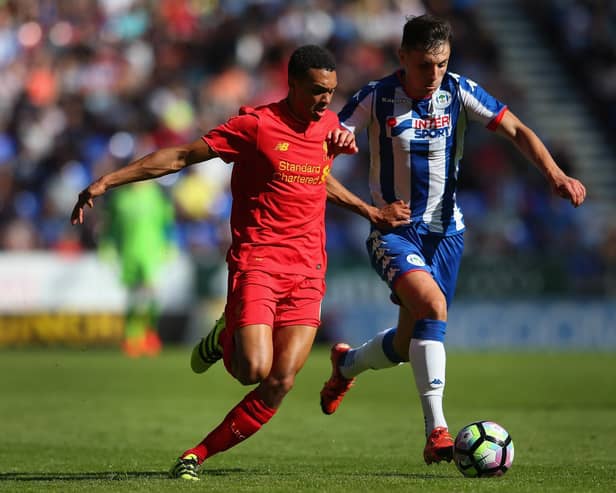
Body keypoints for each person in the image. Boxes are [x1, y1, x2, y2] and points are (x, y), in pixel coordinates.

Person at [71, 44, 406, 481]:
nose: (325, 100)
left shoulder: (327, 125)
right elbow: (180, 157)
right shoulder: (256, 126)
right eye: (316, 90)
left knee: (281, 381)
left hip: (308, 271)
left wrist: (371, 212)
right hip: (260, 262)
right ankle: (225, 333)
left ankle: (196, 454)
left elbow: (317, 180)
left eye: (331, 91)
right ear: (293, 84)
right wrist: (106, 181)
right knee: (252, 369)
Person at [319, 13, 587, 466]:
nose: (434, 74)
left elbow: (517, 129)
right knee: (433, 309)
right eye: (425, 65)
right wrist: (342, 156)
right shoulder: (376, 97)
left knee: (408, 343)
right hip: (394, 230)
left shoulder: (459, 90)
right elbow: (325, 145)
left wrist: (555, 174)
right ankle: (436, 431)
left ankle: (346, 365)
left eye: (441, 63)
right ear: (402, 57)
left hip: (448, 234)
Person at [100, 180, 174, 357]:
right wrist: (107, 245)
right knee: (133, 297)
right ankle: (131, 338)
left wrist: (170, 244)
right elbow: (110, 226)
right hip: (129, 253)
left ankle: (150, 334)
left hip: (153, 252)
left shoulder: (157, 196)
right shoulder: (120, 198)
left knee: (152, 295)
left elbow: (167, 224)